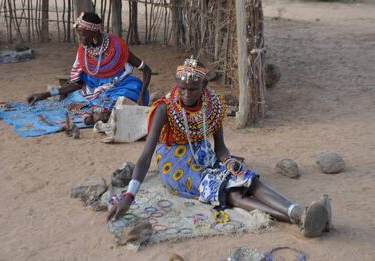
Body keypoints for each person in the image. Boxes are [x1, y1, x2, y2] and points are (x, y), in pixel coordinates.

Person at [107, 57, 332, 237]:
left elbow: (221, 148)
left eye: (192, 89)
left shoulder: (213, 105)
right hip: (175, 162)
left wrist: (228, 161)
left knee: (247, 178)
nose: (186, 94)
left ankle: (298, 211)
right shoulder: (165, 109)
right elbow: (146, 156)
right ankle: (300, 219)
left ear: (204, 85)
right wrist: (129, 195)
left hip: (204, 154)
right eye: (182, 88)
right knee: (229, 193)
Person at [26, 12, 151, 124]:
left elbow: (146, 70)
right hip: (97, 93)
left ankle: (100, 113)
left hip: (122, 88)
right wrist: (45, 94)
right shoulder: (84, 52)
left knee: (106, 112)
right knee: (72, 102)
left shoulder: (116, 48)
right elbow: (77, 84)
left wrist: (141, 95)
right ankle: (96, 114)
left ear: (94, 33)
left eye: (83, 35)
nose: (80, 39)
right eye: (79, 35)